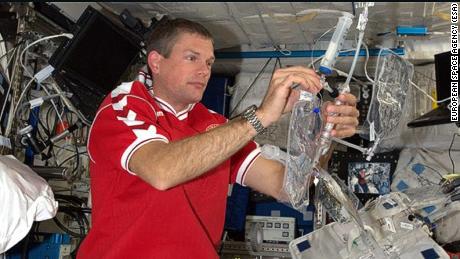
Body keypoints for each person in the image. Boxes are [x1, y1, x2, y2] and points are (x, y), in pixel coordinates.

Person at [77, 18, 359, 258]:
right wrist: (260, 116)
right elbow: (161, 171)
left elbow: (288, 188)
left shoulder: (213, 124)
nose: (204, 71)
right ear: (156, 62)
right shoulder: (124, 106)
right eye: (192, 58)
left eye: (210, 62)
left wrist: (325, 133)